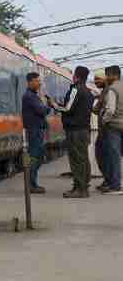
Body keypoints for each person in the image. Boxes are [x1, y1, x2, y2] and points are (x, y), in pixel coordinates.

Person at [49, 66, 95, 198]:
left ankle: (80, 189)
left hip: (75, 131)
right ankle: (84, 186)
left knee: (76, 160)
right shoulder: (89, 92)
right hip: (84, 129)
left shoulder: (76, 89)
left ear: (76, 76)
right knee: (83, 159)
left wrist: (54, 105)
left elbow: (68, 108)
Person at [22, 71, 51, 194]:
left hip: (37, 130)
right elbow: (42, 110)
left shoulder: (33, 95)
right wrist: (49, 106)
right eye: (37, 81)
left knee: (38, 156)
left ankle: (32, 183)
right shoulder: (29, 96)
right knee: (34, 157)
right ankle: (31, 185)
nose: (39, 83)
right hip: (34, 131)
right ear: (30, 82)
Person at [100, 65, 123, 195]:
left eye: (107, 75)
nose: (106, 78)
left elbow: (110, 110)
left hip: (114, 127)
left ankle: (115, 186)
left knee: (114, 156)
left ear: (114, 75)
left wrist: (104, 120)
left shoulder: (112, 89)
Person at [93, 70, 110, 190]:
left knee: (103, 156)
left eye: (98, 79)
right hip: (103, 130)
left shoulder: (107, 92)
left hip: (106, 130)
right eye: (94, 79)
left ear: (105, 79)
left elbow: (97, 109)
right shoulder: (104, 92)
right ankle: (107, 180)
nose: (95, 82)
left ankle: (109, 181)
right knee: (102, 156)